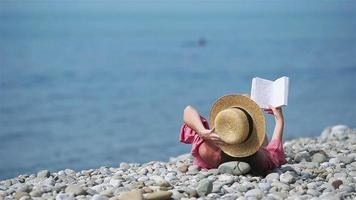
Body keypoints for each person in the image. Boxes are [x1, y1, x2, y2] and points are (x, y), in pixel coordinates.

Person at [179, 94, 287, 177]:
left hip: (223, 149)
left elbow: (187, 110)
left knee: (246, 98)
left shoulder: (209, 151)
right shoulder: (259, 160)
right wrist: (279, 120)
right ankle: (246, 114)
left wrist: (202, 131)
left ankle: (242, 112)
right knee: (247, 97)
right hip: (249, 149)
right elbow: (275, 152)